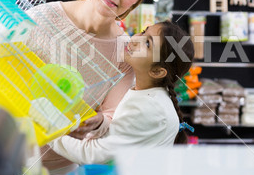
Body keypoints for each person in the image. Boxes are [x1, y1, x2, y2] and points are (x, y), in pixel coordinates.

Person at [24, 0, 157, 175]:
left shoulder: (124, 53)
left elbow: (111, 117)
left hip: (59, 172)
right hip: (8, 155)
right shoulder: (41, 18)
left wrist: (99, 123)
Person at [48, 21, 195, 164]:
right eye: (144, 32)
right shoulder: (146, 93)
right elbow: (122, 136)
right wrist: (101, 125)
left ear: (157, 71)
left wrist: (47, 123)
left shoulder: (149, 108)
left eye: (148, 43)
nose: (136, 38)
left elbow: (90, 153)